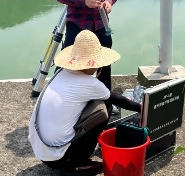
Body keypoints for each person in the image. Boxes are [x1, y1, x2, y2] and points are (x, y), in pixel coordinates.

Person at [28, 30, 141, 175]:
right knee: (101, 110)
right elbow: (119, 100)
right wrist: (140, 107)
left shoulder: (60, 73)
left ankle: (73, 157)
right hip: (59, 158)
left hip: (41, 150)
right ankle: (77, 163)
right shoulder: (90, 83)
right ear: (90, 65)